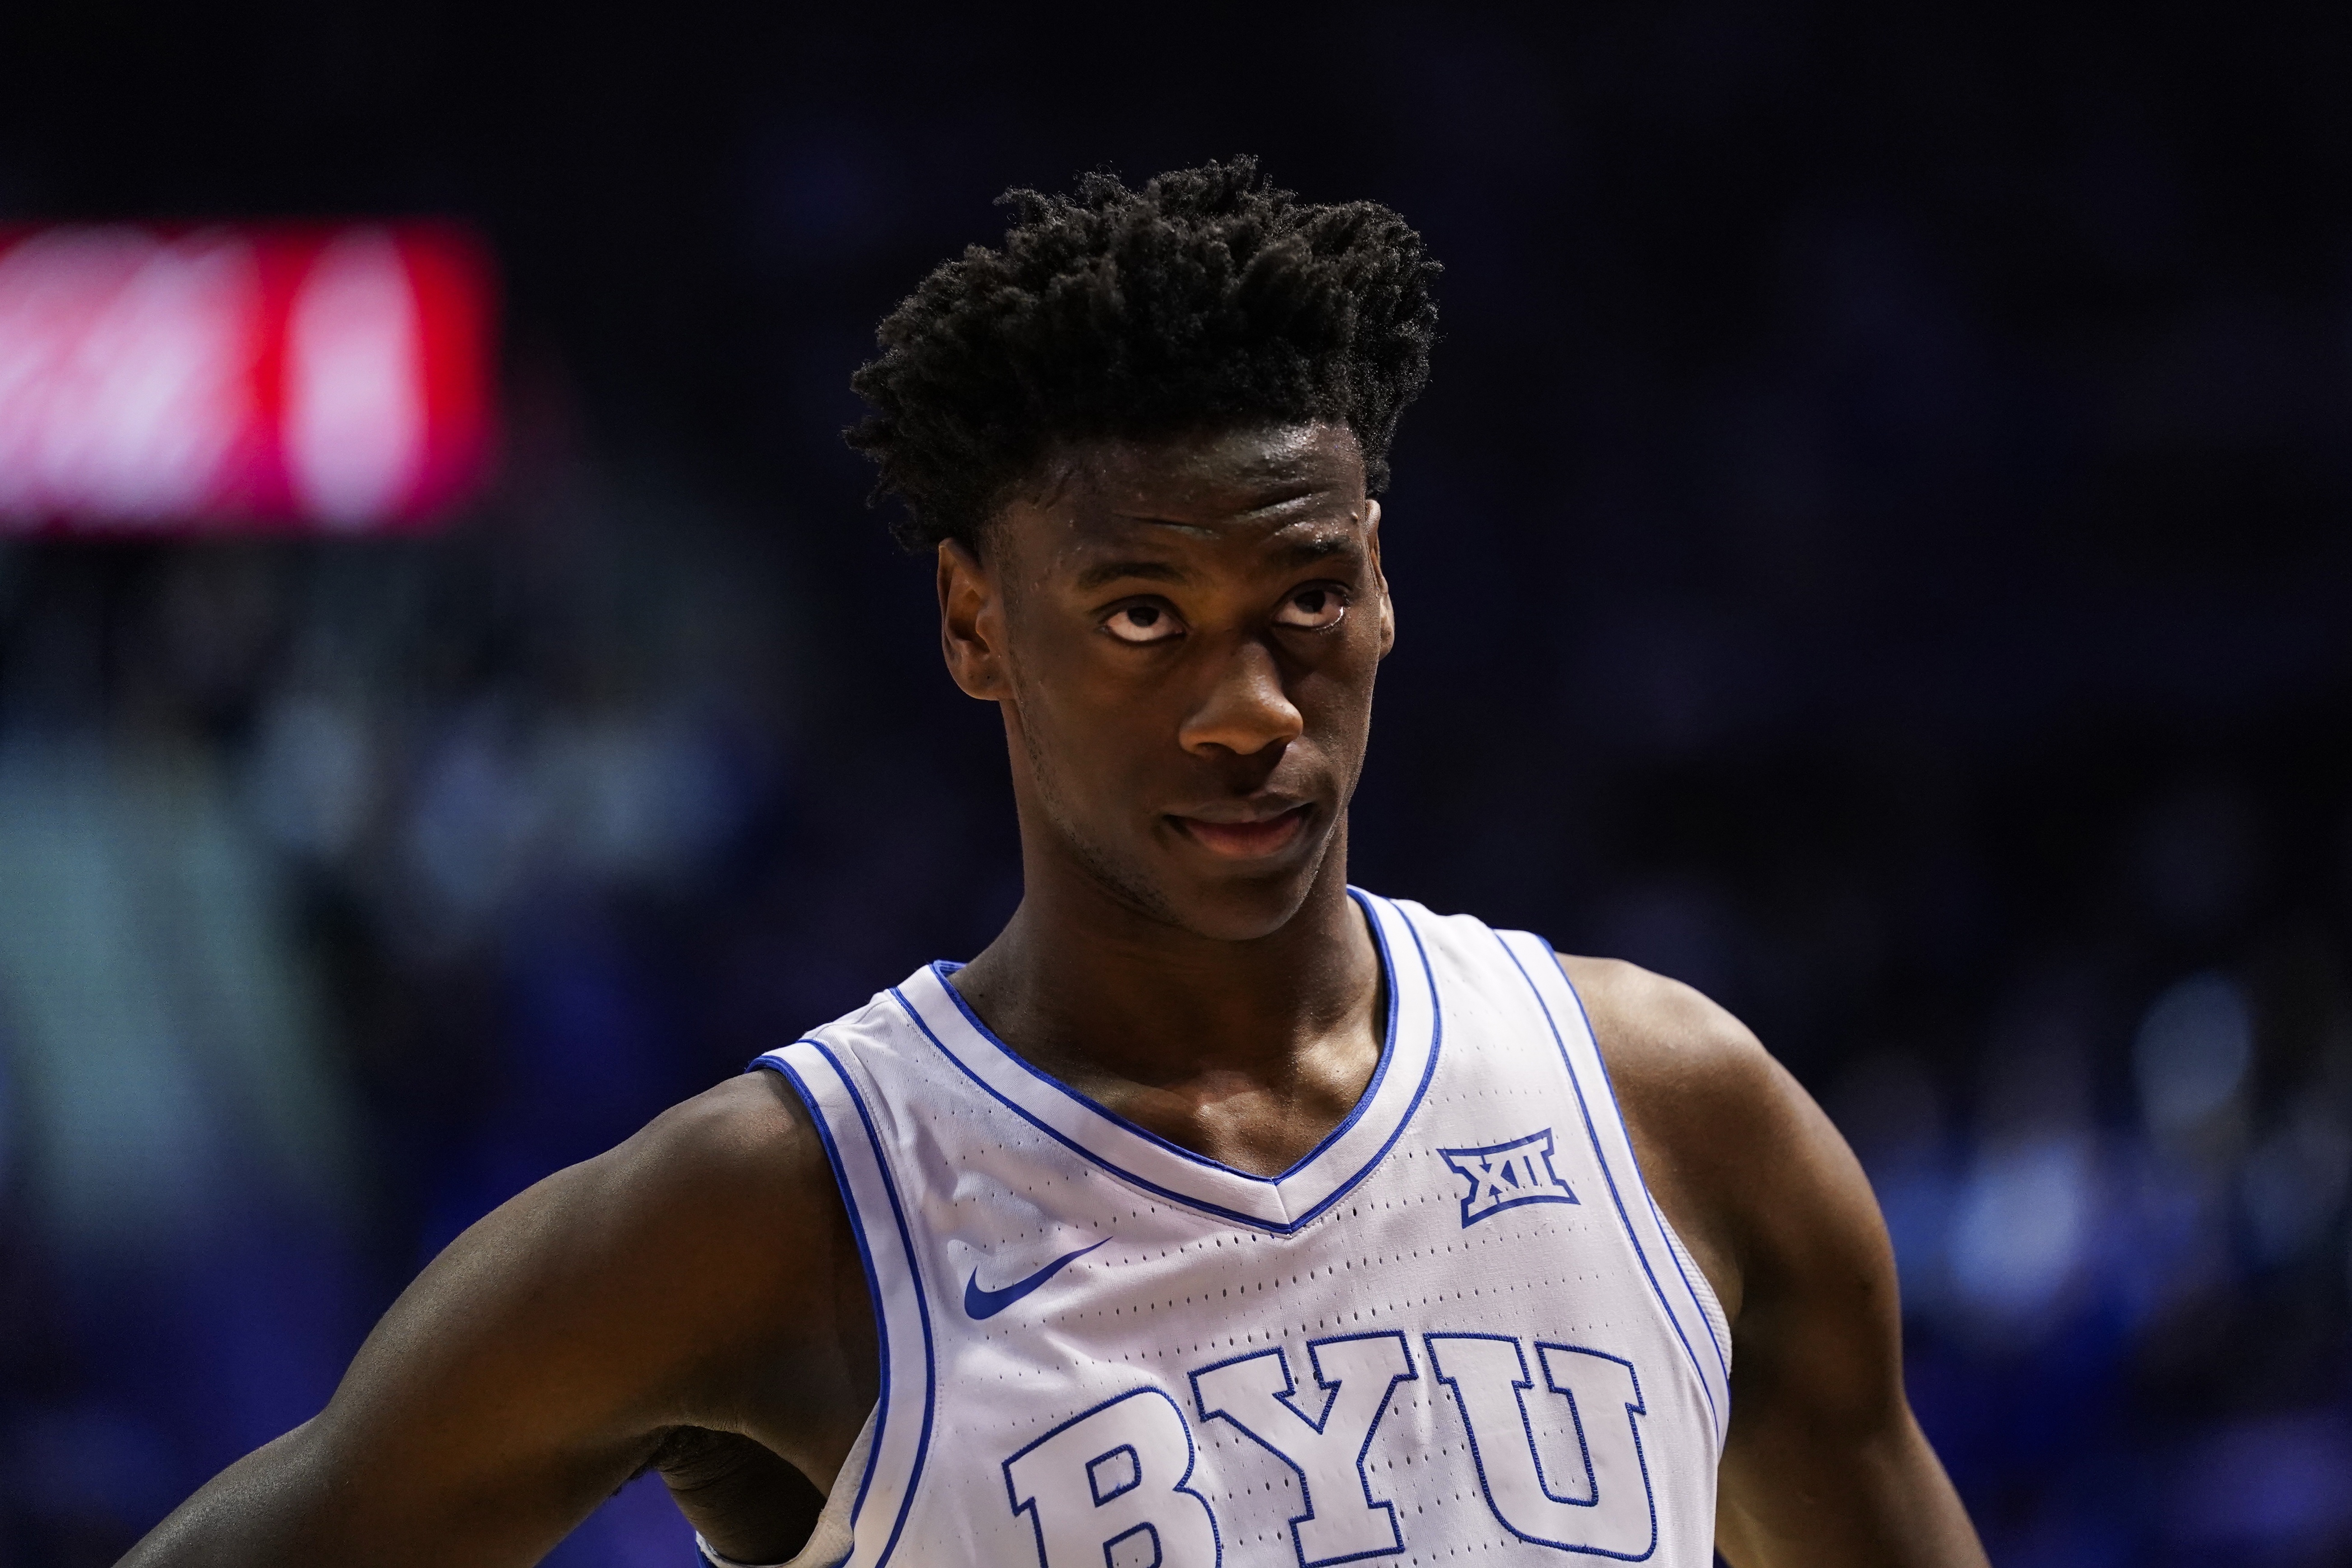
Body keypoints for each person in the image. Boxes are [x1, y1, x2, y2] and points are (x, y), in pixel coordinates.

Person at [122, 160, 1987, 1568]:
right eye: (1143, 614)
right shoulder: (786, 1206)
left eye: (1304, 597)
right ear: (975, 623)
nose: (1247, 706)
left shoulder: (1669, 1113)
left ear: (1381, 582)